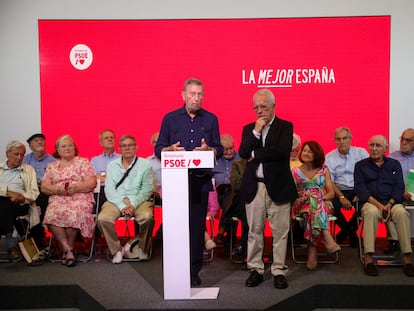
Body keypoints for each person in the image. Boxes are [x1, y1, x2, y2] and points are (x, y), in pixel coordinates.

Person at [155, 77, 223, 287]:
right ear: (183, 95)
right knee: (176, 227)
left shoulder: (211, 119)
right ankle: (176, 270)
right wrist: (167, 151)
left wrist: (209, 150)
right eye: (192, 94)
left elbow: (219, 149)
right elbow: (158, 148)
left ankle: (193, 271)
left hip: (199, 182)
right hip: (175, 182)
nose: (196, 98)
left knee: (195, 228)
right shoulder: (170, 119)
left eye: (200, 94)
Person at [239, 89, 297, 289]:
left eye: (264, 106)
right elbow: (243, 152)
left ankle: (278, 270)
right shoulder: (249, 129)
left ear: (273, 106)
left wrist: (256, 153)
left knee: (280, 232)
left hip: (279, 186)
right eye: (256, 107)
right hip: (255, 187)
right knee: (254, 231)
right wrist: (256, 131)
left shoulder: (285, 126)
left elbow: (281, 152)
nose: (259, 110)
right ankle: (255, 269)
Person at [354, 134, 414, 277]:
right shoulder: (360, 166)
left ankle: (407, 259)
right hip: (370, 203)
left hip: (392, 203)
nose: (374, 149)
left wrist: (389, 204)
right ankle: (368, 259)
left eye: (378, 146)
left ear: (385, 149)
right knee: (371, 212)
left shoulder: (394, 164)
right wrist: (380, 206)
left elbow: (399, 187)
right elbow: (360, 189)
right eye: (372, 145)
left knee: (400, 212)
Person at [97, 135, 154, 264]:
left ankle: (143, 247)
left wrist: (133, 205)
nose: (127, 148)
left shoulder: (145, 164)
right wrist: (122, 205)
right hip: (116, 200)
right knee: (102, 218)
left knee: (147, 217)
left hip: (139, 200)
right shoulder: (112, 165)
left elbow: (146, 189)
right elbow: (109, 189)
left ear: (136, 147)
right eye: (124, 146)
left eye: (130, 145)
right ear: (119, 149)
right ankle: (116, 250)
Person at [41, 135, 97, 267]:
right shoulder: (52, 166)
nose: (67, 148)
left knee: (76, 212)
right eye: (63, 146)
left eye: (70, 145)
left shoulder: (83, 162)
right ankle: (69, 249)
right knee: (52, 213)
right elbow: (44, 187)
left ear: (75, 148)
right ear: (57, 150)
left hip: (80, 197)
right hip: (58, 197)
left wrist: (76, 187)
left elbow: (91, 182)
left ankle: (67, 250)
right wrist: (59, 190)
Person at [291, 141, 341, 270]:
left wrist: (318, 197)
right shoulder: (295, 171)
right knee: (310, 205)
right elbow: (292, 193)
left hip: (323, 204)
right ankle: (326, 235)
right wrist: (309, 197)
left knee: (311, 211)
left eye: (310, 151)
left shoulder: (324, 170)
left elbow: (330, 193)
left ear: (316, 154)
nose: (306, 153)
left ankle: (312, 251)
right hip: (302, 204)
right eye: (305, 150)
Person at [325, 127, 369, 247]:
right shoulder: (329, 157)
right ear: (335, 141)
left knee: (365, 205)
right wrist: (341, 197)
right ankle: (350, 233)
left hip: (358, 189)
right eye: (338, 139)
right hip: (338, 190)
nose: (342, 141)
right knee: (329, 205)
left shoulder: (361, 153)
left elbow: (368, 176)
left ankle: (344, 233)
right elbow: (330, 181)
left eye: (345, 138)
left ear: (350, 139)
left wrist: (360, 193)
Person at [0, 140, 39, 261]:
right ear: (7, 154)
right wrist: (9, 193)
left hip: (20, 204)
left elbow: (34, 192)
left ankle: (11, 244)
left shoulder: (28, 169)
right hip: (6, 203)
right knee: (4, 203)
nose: (19, 157)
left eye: (22, 154)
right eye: (16, 154)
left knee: (5, 204)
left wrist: (21, 197)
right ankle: (11, 246)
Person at [23, 133, 56, 249]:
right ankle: (35, 237)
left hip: (46, 193)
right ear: (30, 146)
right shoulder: (25, 159)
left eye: (41, 140)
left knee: (41, 203)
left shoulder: (52, 161)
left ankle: (38, 237)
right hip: (30, 192)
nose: (39, 142)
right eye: (36, 141)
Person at [386, 128, 414, 253]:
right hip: (398, 195)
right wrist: (400, 191)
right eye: (402, 139)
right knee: (388, 202)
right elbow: (386, 181)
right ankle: (394, 240)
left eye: (408, 140)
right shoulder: (392, 158)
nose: (403, 142)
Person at [212, 134, 240, 254]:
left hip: (235, 193)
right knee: (230, 204)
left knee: (230, 198)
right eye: (226, 149)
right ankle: (226, 237)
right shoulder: (214, 158)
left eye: (231, 148)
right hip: (215, 195)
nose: (230, 152)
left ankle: (221, 231)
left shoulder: (240, 157)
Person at [91, 129, 121, 208]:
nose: (110, 139)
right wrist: (112, 176)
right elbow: (94, 178)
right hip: (100, 192)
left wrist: (103, 175)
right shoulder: (95, 160)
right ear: (101, 143)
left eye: (112, 137)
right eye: (106, 138)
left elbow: (122, 177)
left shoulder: (122, 158)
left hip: (117, 190)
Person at [146, 132, 162, 205]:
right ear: (152, 144)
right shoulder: (147, 162)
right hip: (153, 195)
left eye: (160, 142)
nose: (158, 145)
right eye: (155, 142)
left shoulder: (175, 160)